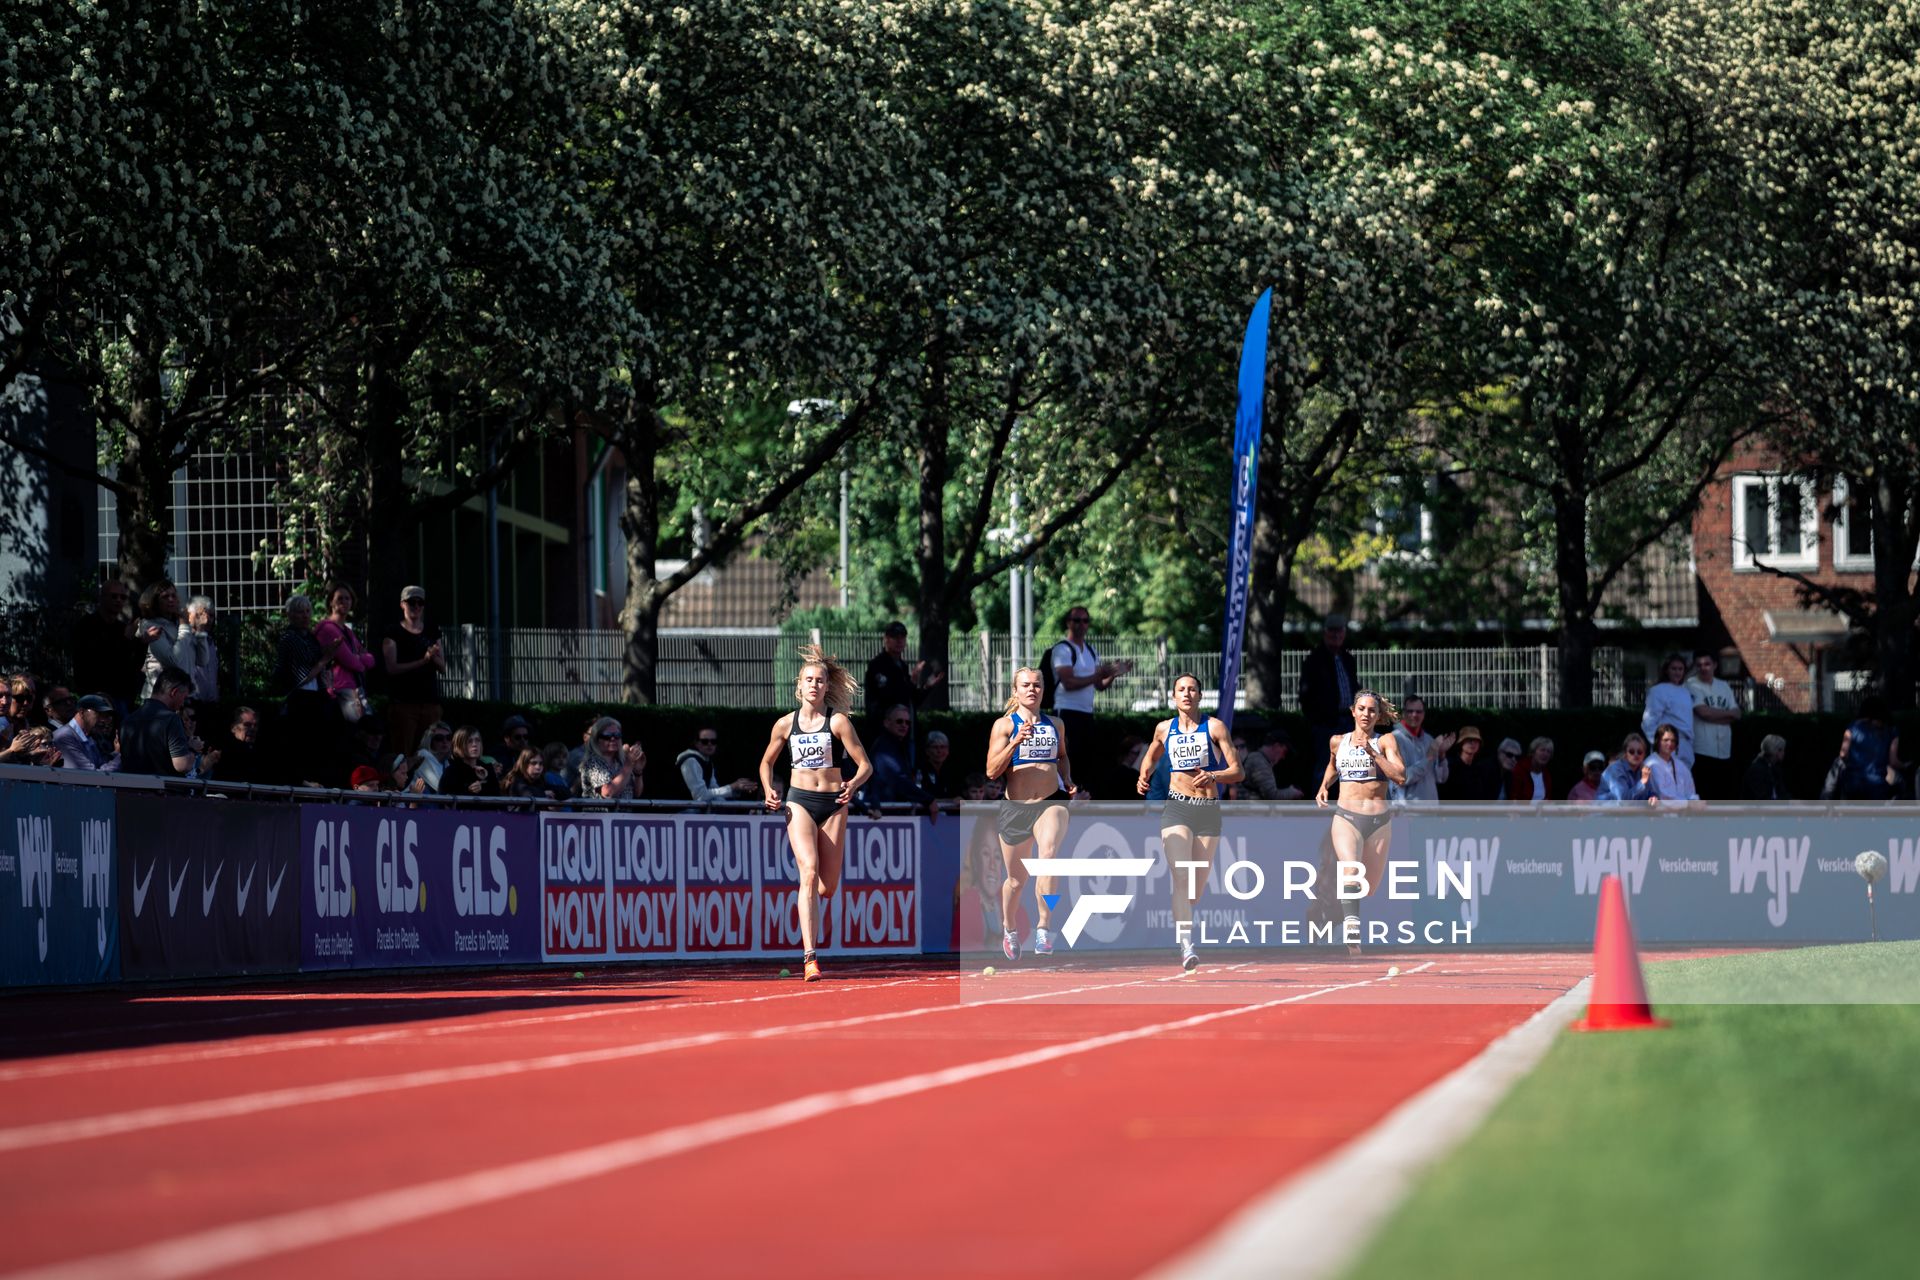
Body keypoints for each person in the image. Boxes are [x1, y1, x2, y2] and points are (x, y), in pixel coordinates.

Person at [758, 645, 873, 982]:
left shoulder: (837, 722)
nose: (814, 685)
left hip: (834, 804)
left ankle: (816, 917)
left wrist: (853, 784)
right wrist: (768, 789)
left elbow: (866, 764)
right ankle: (810, 957)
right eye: (809, 680)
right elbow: (766, 762)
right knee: (807, 872)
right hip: (799, 801)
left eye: (820, 681)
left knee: (827, 887)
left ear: (826, 686)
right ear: (799, 685)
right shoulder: (784, 725)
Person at [1134, 673, 1243, 971]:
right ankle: (1186, 945)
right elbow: (1151, 756)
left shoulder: (1215, 727)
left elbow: (1238, 771)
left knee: (1194, 890)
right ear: (1173, 697)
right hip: (1177, 808)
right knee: (1181, 877)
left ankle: (1186, 927)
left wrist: (1214, 776)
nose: (1186, 694)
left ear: (1199, 695)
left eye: (1192, 689)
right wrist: (1143, 776)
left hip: (1207, 810)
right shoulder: (1163, 729)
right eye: (1181, 689)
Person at [987, 666, 1079, 961]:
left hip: (1051, 801)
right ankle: (1010, 928)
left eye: (1037, 685)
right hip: (1015, 808)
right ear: (1015, 691)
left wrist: (1068, 779)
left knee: (1048, 855)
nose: (1032, 689)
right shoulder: (1004, 725)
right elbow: (991, 771)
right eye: (1025, 685)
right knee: (1016, 880)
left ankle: (1044, 927)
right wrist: (1016, 742)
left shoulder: (1057, 724)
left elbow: (1062, 756)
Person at [1314, 689, 1407, 955]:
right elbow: (1333, 765)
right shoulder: (1337, 741)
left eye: (1372, 710)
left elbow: (1400, 776)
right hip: (1347, 816)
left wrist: (1373, 754)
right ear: (1353, 711)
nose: (1366, 714)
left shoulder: (1386, 741)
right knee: (1350, 869)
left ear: (1378, 716)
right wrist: (1324, 786)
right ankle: (1352, 929)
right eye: (1362, 709)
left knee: (1369, 888)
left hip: (1379, 821)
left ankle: (1340, 909)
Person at [1047, 606, 1130, 795]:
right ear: (1068, 623)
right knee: (1067, 757)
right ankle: (1064, 796)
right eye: (1076, 620)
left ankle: (1082, 796)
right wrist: (1099, 674)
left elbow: (1099, 685)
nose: (1081, 625)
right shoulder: (1062, 649)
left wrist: (1114, 673)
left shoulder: (1091, 651)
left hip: (1086, 713)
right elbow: (1068, 682)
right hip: (1066, 711)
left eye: (1085, 621)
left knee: (1086, 758)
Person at [273, 593, 334, 786]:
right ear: (290, 615)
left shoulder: (310, 638)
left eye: (308, 611)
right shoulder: (290, 638)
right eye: (300, 612)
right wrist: (324, 659)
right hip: (298, 700)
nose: (305, 616)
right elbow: (303, 675)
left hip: (316, 697)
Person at [381, 586, 445, 759]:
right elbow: (392, 668)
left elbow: (443, 667)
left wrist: (433, 658)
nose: (416, 606)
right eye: (411, 602)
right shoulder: (393, 633)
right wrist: (422, 661)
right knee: (404, 754)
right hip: (404, 704)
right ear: (403, 604)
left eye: (420, 602)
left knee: (430, 754)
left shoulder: (432, 631)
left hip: (430, 703)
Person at [1298, 613, 1360, 785]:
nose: (1336, 636)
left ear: (1344, 633)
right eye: (1332, 632)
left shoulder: (1348, 659)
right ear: (1325, 633)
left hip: (1348, 721)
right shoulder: (1314, 660)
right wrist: (1318, 720)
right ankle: (1321, 807)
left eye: (1340, 632)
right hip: (1325, 725)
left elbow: (1354, 687)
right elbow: (1305, 696)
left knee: (1350, 767)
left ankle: (1346, 807)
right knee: (1324, 768)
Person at [863, 621, 943, 745]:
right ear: (886, 639)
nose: (899, 641)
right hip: (884, 733)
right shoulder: (878, 665)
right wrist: (912, 681)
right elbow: (890, 699)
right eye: (895, 637)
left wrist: (927, 686)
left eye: (902, 637)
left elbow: (911, 699)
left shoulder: (902, 666)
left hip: (906, 733)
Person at [70, 580, 143, 711]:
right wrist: (125, 639)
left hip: (121, 697)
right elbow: (98, 661)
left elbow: (132, 665)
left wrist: (143, 643)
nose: (118, 600)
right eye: (114, 596)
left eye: (123, 597)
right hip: (95, 696)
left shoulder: (122, 628)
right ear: (102, 598)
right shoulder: (86, 626)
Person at [314, 582, 375, 730]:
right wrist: (360, 658)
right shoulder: (327, 629)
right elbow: (353, 662)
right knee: (357, 732)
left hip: (354, 689)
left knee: (366, 730)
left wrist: (359, 658)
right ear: (331, 602)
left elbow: (371, 660)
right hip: (339, 691)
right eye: (340, 598)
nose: (345, 602)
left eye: (348, 599)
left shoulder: (347, 631)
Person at [120, 666, 196, 777]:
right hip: (165, 791)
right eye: (183, 697)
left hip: (131, 790)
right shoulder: (171, 719)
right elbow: (182, 765)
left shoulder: (128, 720)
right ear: (174, 692)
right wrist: (192, 750)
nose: (183, 703)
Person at [1685, 651, 1741, 799]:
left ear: (1715, 665)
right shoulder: (1691, 685)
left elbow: (1737, 714)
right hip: (1703, 749)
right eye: (1699, 665)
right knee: (1705, 794)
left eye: (1707, 664)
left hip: (1724, 749)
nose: (1703, 668)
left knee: (1723, 795)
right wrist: (1725, 715)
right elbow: (1703, 713)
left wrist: (1713, 716)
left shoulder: (1723, 686)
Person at [1389, 695, 1453, 805]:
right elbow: (1402, 778)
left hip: (1430, 812)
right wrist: (1428, 758)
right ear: (1403, 713)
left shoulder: (1429, 740)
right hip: (1406, 814)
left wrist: (1442, 755)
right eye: (1410, 711)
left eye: (1419, 712)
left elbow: (1441, 778)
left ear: (1424, 714)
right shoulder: (1393, 740)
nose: (1414, 715)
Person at [1834, 696, 1900, 800]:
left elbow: (1842, 754)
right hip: (1878, 786)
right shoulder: (1891, 731)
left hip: (1852, 785)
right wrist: (1905, 765)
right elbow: (1893, 762)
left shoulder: (1851, 728)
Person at [133, 579, 188, 702]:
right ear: (154, 601)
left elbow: (199, 660)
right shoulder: (149, 625)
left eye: (173, 595)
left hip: (181, 694)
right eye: (165, 596)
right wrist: (185, 630)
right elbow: (173, 660)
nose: (171, 600)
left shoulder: (177, 623)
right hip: (159, 697)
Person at [868, 704, 932, 806]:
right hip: (885, 810)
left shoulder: (901, 746)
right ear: (887, 723)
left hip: (893, 808)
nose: (904, 725)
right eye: (899, 721)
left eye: (907, 722)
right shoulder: (884, 747)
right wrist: (928, 800)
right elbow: (898, 779)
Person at [1641, 653, 1695, 769]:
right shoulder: (1657, 691)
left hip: (1685, 746)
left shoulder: (1685, 692)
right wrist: (1659, 744)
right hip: (1667, 745)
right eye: (1674, 669)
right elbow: (1649, 722)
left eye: (1680, 669)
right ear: (1666, 670)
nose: (1677, 672)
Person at [677, 725, 757, 803]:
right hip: (680, 810)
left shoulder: (707, 762)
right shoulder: (690, 761)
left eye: (713, 741)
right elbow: (700, 796)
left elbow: (714, 792)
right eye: (704, 741)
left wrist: (737, 789)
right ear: (696, 743)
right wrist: (732, 787)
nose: (709, 744)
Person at [579, 716, 646, 800]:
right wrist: (629, 765)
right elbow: (608, 793)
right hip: (600, 813)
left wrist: (638, 772)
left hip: (625, 813)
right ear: (596, 739)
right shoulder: (592, 762)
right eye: (607, 736)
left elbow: (637, 793)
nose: (613, 738)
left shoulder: (622, 761)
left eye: (617, 735)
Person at [51, 694, 116, 771]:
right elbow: (91, 775)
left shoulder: (89, 736)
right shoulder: (64, 737)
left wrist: (116, 754)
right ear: (82, 713)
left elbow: (101, 766)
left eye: (105, 716)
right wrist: (120, 758)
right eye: (99, 714)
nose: (103, 720)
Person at [1239, 729, 1304, 801]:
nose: (1283, 757)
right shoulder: (1259, 762)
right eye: (1284, 752)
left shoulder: (1259, 759)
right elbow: (1272, 795)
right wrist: (1292, 792)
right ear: (1276, 746)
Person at [1439, 727, 1503, 801]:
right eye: (1469, 740)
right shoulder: (1449, 765)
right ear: (1461, 742)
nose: (1473, 743)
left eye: (1476, 740)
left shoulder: (1479, 770)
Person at [437, 725, 500, 797]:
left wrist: (483, 787)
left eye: (477, 740)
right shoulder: (452, 771)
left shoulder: (488, 769)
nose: (474, 744)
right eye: (469, 741)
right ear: (459, 745)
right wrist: (469, 791)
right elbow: (443, 800)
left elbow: (498, 798)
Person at [1646, 723, 1699, 807]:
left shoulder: (1681, 765)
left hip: (1684, 814)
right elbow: (1664, 797)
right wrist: (1688, 804)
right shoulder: (1651, 764)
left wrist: (1694, 802)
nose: (1670, 743)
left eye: (1673, 740)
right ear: (1658, 741)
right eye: (1666, 740)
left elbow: (1691, 791)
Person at [1596, 733, 1657, 807]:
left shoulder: (1643, 770)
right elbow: (1623, 801)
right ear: (1625, 753)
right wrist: (1642, 782)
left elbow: (1650, 793)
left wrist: (1653, 798)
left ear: (1644, 755)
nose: (1636, 754)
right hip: (1606, 815)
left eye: (1639, 752)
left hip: (1629, 815)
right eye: (1631, 751)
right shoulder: (1615, 770)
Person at [212, 706, 266, 783]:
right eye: (247, 725)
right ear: (233, 727)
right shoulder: (224, 751)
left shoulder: (259, 751)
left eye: (255, 725)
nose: (253, 729)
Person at [182, 596, 220, 705]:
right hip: (191, 703)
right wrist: (200, 630)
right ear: (189, 615)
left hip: (211, 703)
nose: (207, 620)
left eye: (211, 616)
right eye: (200, 615)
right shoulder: (184, 640)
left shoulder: (210, 641)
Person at [1507, 737, 1555, 802]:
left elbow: (1548, 799)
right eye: (1542, 750)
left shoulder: (1547, 775)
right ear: (1533, 752)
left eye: (1548, 752)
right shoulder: (1520, 769)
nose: (1545, 754)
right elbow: (1514, 798)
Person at [1743, 735, 1790, 801]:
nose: (1783, 753)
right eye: (1782, 750)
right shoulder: (1756, 771)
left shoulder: (1775, 769)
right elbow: (1761, 798)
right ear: (1776, 751)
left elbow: (1782, 793)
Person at [414, 722, 454, 793]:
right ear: (430, 740)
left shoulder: (446, 762)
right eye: (439, 738)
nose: (445, 741)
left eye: (448, 737)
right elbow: (441, 787)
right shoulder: (423, 754)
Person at [917, 730, 953, 798]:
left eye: (942, 747)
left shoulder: (952, 772)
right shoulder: (920, 771)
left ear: (948, 750)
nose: (939, 751)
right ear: (927, 751)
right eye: (935, 747)